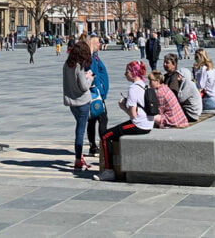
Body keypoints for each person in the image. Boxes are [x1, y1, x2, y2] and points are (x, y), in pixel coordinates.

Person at [93, 61, 154, 182]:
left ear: (133, 73)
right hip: (149, 123)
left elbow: (133, 115)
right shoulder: (143, 85)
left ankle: (109, 171)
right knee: (115, 135)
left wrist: (123, 107)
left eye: (127, 71)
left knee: (105, 136)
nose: (125, 74)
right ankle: (116, 166)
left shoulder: (133, 88)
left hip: (139, 124)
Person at [62, 40, 93, 171]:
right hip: (82, 101)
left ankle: (79, 157)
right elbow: (84, 87)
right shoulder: (79, 67)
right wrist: (90, 77)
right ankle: (78, 159)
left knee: (79, 128)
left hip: (71, 102)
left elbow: (71, 81)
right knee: (80, 131)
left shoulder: (67, 65)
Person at [86, 35, 109, 157]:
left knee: (93, 119)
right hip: (96, 94)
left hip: (98, 92)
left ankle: (93, 146)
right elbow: (91, 74)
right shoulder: (91, 59)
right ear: (93, 44)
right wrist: (99, 88)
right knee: (102, 118)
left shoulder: (95, 57)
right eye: (98, 43)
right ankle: (102, 144)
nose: (100, 44)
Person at [162, 53, 202, 122]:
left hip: (191, 113)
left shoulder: (176, 79)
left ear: (174, 65)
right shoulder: (168, 76)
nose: (164, 64)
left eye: (167, 63)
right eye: (164, 62)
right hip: (188, 110)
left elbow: (177, 97)